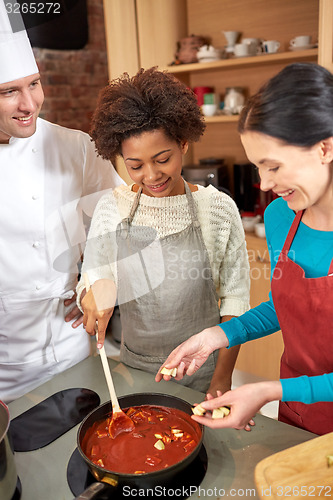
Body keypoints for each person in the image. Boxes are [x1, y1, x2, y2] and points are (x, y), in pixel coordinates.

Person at [156, 62, 333, 435]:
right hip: (299, 411)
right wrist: (217, 336)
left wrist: (268, 390)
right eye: (258, 169)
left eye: (273, 167)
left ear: (324, 147)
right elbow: (284, 306)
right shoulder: (281, 217)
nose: (266, 184)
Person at [76, 67, 250, 395]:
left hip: (203, 369)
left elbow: (235, 301)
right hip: (136, 370)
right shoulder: (112, 208)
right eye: (135, 165)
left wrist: (222, 378)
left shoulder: (218, 209)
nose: (152, 175)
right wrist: (95, 290)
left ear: (183, 143)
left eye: (162, 158)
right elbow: (92, 280)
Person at [0, 7, 124, 403]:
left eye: (34, 84)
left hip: (73, 344)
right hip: (6, 362)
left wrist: (97, 277)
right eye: (9, 92)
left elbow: (117, 218)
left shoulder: (75, 146)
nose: (29, 103)